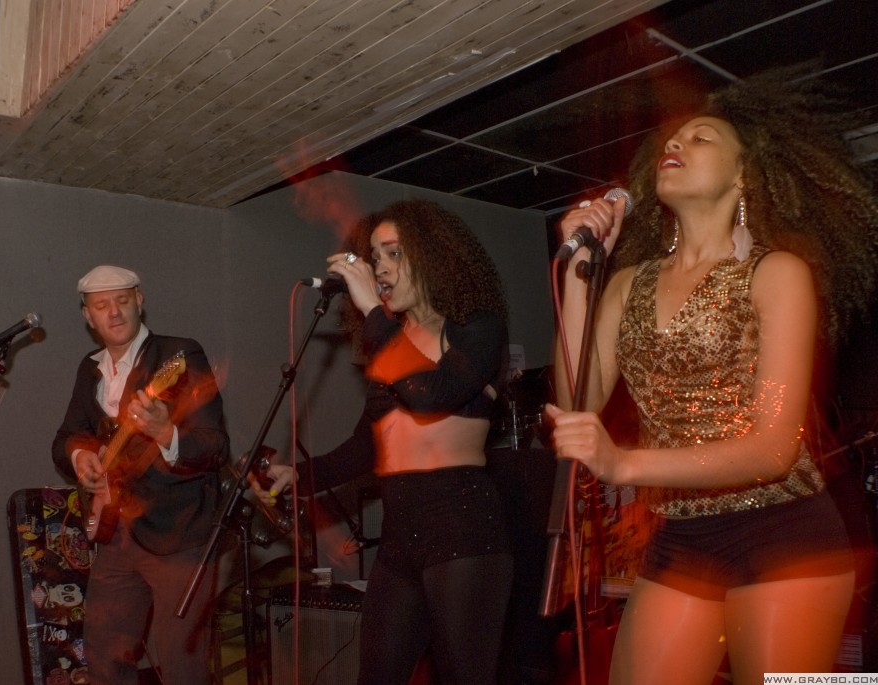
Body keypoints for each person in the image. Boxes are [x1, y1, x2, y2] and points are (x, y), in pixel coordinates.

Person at [545, 69, 878, 684]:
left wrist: (624, 464)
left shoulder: (776, 273)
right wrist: (577, 276)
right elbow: (577, 402)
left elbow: (773, 448)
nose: (676, 143)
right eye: (672, 139)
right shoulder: (627, 284)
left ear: (743, 174)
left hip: (787, 532)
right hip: (682, 534)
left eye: (702, 138)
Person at [254, 199, 514, 685]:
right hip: (399, 540)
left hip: (462, 528)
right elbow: (367, 447)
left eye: (394, 253)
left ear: (434, 257)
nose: (381, 268)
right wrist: (300, 477)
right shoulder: (390, 345)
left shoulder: (477, 328)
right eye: (375, 257)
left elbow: (432, 393)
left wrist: (373, 311)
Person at [52, 264, 231, 685]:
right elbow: (65, 438)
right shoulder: (89, 369)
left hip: (179, 534)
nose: (113, 312)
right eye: (101, 306)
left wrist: (165, 432)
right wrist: (81, 457)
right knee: (104, 655)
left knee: (182, 664)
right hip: (116, 533)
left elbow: (215, 445)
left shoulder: (177, 355)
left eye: (122, 301)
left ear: (140, 301)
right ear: (88, 316)